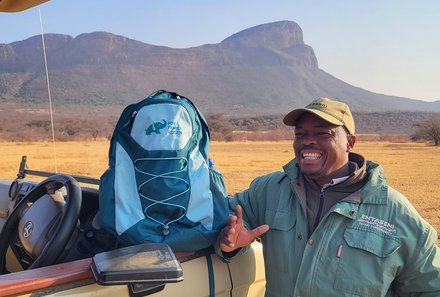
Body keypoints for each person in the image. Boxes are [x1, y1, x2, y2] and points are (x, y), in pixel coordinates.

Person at [218, 97, 440, 297]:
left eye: (323, 133)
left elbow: (431, 286)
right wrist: (229, 242)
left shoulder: (394, 211)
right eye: (300, 134)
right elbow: (228, 217)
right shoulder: (269, 189)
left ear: (350, 142)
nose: (308, 141)